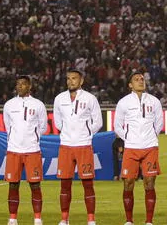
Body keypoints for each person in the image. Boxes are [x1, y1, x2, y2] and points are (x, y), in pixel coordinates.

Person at [53, 68, 103, 225]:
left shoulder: (90, 98)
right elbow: (58, 122)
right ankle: (64, 219)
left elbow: (98, 122)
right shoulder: (59, 99)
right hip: (66, 146)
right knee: (64, 184)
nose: (70, 81)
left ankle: (90, 220)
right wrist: (68, 133)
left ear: (81, 81)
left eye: (74, 78)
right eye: (68, 78)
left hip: (83, 146)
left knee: (87, 184)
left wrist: (86, 134)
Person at [114, 72, 164, 225]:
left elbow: (159, 124)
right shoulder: (123, 102)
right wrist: (128, 138)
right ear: (130, 85)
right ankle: (129, 220)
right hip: (131, 148)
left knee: (149, 182)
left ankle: (149, 221)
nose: (140, 81)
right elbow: (117, 125)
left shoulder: (154, 101)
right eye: (136, 79)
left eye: (142, 79)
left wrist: (150, 137)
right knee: (128, 182)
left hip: (150, 147)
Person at [3, 75, 48, 225]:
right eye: (18, 84)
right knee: (13, 184)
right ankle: (13, 218)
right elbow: (7, 126)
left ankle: (37, 218)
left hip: (32, 150)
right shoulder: (9, 105)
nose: (19, 86)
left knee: (35, 185)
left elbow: (43, 127)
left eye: (23, 84)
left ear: (29, 86)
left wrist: (32, 138)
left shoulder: (38, 105)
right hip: (14, 150)